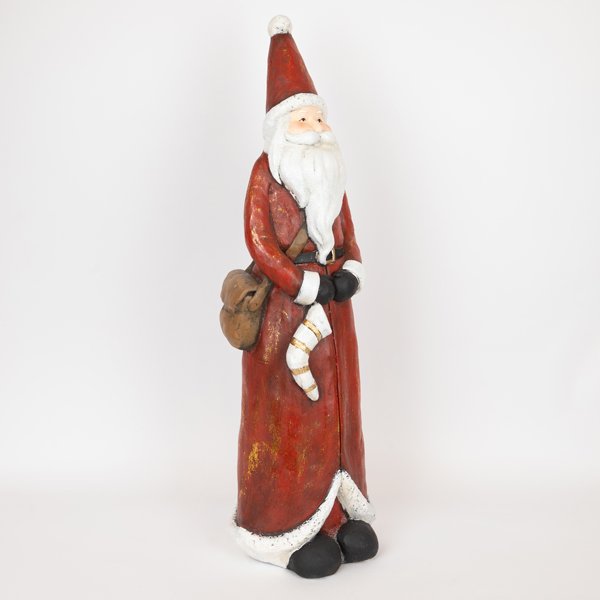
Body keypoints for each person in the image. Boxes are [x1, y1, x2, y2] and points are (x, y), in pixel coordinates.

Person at [233, 15, 378, 578]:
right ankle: (286, 525)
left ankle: (339, 513)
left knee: (340, 409)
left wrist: (351, 269)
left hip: (334, 316)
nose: (315, 127)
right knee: (294, 415)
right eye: (303, 117)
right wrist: (304, 284)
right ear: (280, 127)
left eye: (318, 117)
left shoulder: (330, 174)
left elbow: (347, 231)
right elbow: (260, 242)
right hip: (285, 317)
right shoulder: (265, 174)